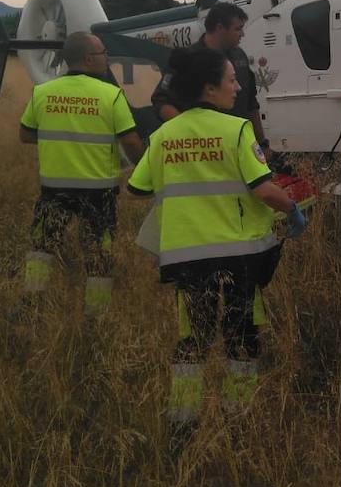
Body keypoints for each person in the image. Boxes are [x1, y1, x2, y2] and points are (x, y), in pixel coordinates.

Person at [127, 47, 306, 426]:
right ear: (210, 88)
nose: (238, 86)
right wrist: (291, 208)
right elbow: (264, 189)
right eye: (231, 80)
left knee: (193, 337)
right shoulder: (236, 129)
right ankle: (237, 415)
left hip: (185, 257)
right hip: (240, 256)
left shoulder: (164, 134)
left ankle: (183, 416)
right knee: (241, 333)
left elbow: (138, 188)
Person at [19, 31, 144, 312]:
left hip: (54, 189)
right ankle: (96, 313)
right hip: (99, 190)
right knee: (100, 251)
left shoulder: (43, 91)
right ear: (89, 59)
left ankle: (31, 306)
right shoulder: (111, 95)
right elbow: (132, 141)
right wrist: (143, 168)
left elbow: (25, 135)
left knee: (42, 246)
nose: (106, 57)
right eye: (103, 53)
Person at [152, 2, 272, 155]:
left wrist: (262, 143)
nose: (242, 34)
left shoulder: (239, 56)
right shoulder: (189, 59)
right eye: (238, 29)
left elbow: (251, 103)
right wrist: (191, 135)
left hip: (240, 145)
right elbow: (161, 101)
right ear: (220, 28)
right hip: (206, 151)